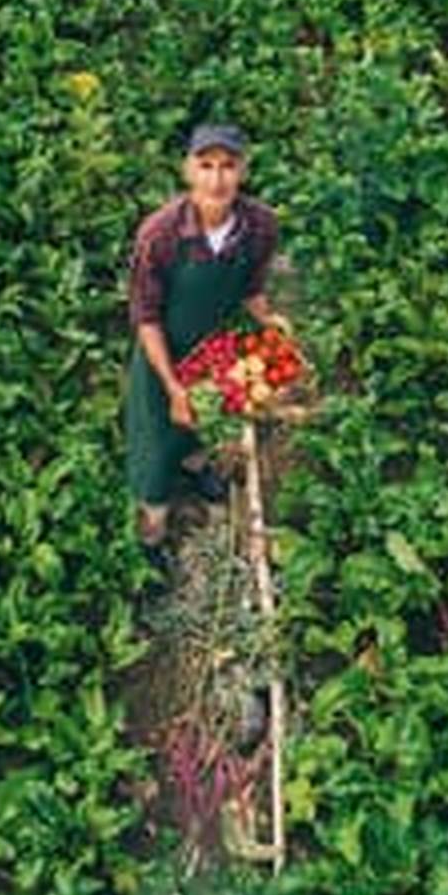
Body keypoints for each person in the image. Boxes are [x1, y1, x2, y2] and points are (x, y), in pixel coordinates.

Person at [125, 123, 286, 574]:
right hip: (163, 361)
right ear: (188, 171)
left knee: (202, 421)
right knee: (155, 448)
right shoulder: (161, 234)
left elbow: (250, 290)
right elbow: (147, 320)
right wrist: (173, 386)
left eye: (228, 166)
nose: (217, 179)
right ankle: (152, 538)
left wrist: (268, 322)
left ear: (243, 171)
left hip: (215, 348)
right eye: (206, 165)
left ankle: (197, 470)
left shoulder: (258, 227)